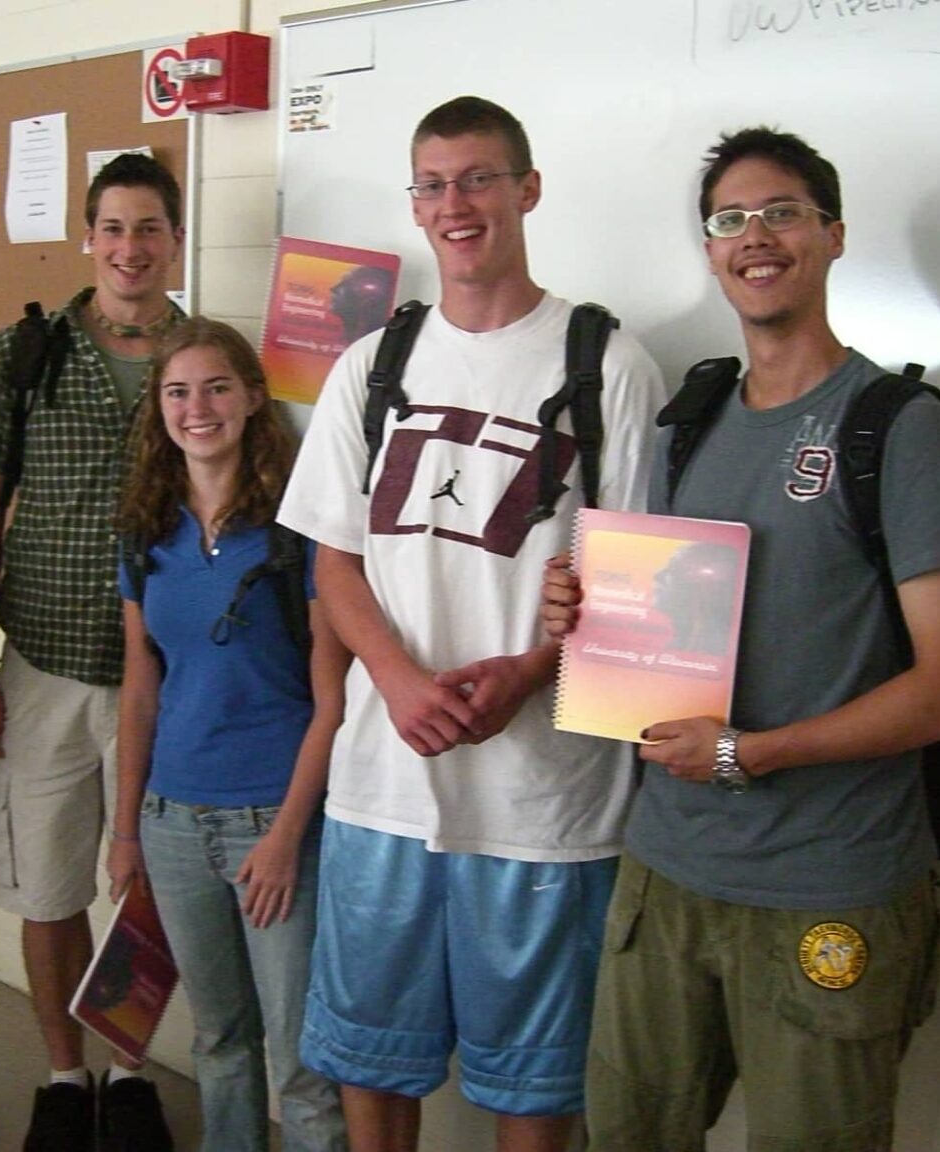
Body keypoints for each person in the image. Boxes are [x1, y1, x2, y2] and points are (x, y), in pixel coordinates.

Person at [544, 128, 940, 1151]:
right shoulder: (687, 419)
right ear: (708, 251)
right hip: (665, 877)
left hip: (824, 891)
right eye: (729, 220)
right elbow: (660, 637)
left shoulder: (901, 428)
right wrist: (586, 615)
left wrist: (752, 753)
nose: (756, 236)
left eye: (783, 211)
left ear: (832, 234)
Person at [276, 96, 666, 1152]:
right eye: (435, 185)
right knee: (370, 1077)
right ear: (416, 204)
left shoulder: (609, 367)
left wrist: (536, 669)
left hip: (547, 808)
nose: (457, 205)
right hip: (382, 796)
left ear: (527, 189)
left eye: (481, 179)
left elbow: (641, 599)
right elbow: (333, 560)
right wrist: (399, 681)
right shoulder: (372, 366)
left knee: (534, 1100)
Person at [0, 153, 182, 1152]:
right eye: (113, 228)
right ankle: (62, 1074)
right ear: (90, 238)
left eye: (150, 228)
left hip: (170, 676)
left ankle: (130, 1072)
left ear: (175, 239)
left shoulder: (208, 355)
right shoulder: (25, 352)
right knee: (47, 886)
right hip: (41, 660)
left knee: (150, 889)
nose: (131, 248)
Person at [106, 318, 349, 1152]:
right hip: (173, 822)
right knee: (218, 1041)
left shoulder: (298, 534)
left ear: (252, 398)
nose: (196, 408)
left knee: (303, 1063)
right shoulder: (145, 532)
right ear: (159, 410)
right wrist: (126, 830)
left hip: (271, 825)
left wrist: (286, 836)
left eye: (215, 387)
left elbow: (332, 700)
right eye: (177, 391)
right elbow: (141, 690)